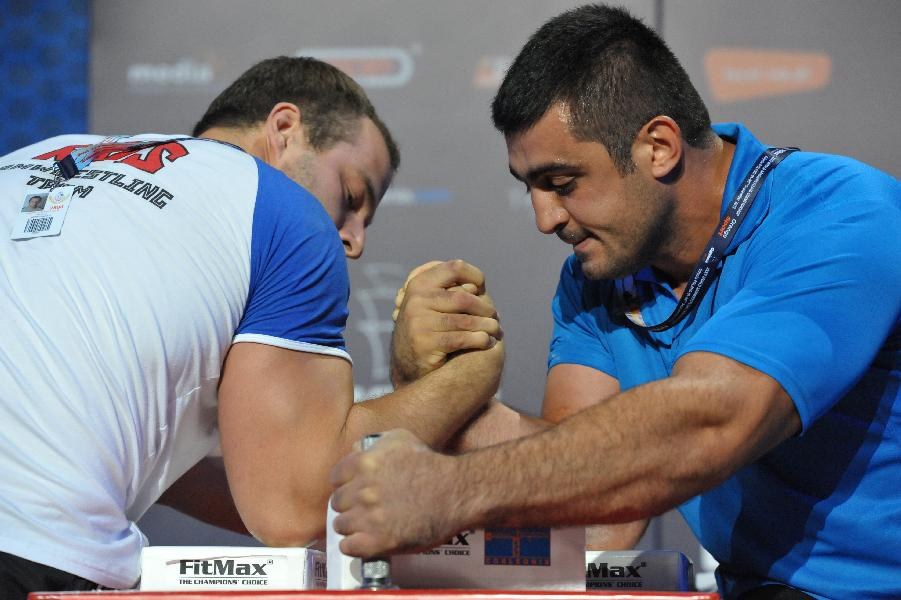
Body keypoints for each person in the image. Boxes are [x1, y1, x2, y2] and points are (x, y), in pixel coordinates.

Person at [329, 5, 901, 600]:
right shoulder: (598, 277)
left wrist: (452, 490)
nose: (544, 219)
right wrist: (429, 378)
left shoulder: (840, 216)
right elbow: (594, 510)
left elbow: (712, 421)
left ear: (658, 147)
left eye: (562, 184)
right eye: (530, 188)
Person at [0, 56, 503, 596]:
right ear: (284, 130)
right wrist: (471, 373)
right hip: (29, 556)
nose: (354, 239)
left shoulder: (27, 159)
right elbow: (289, 506)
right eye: (353, 196)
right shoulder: (288, 213)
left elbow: (184, 467)